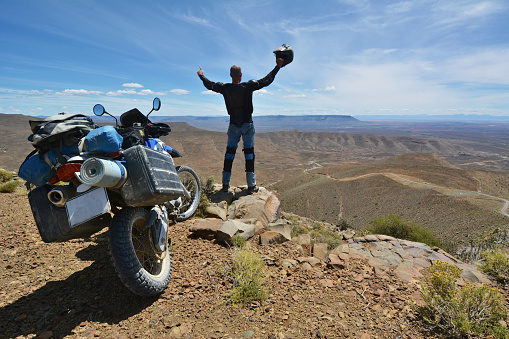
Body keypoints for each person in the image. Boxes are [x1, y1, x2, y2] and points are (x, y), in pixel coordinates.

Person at [197, 57, 285, 193]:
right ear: (241, 75)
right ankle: (251, 186)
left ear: (230, 75)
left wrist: (202, 75)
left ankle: (225, 185)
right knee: (249, 154)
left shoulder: (224, 88)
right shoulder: (248, 86)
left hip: (233, 125)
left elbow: (210, 85)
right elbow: (266, 80)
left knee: (229, 154)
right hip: (247, 124)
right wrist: (277, 67)